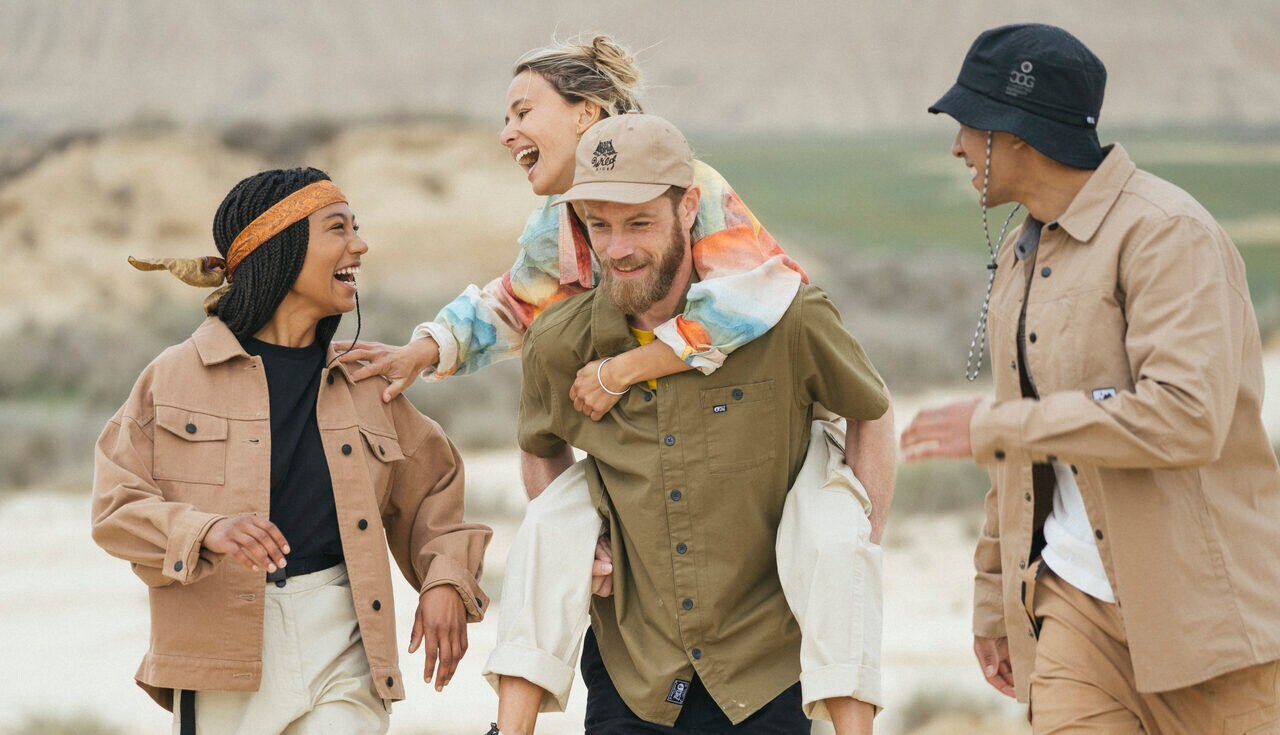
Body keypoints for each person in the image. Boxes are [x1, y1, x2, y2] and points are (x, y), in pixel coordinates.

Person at [332, 37, 890, 728]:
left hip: (760, 604)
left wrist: (624, 368)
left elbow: (754, 297)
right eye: (601, 226)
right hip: (636, 647)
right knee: (555, 518)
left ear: (585, 114)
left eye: (522, 110)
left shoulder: (699, 188)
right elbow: (512, 303)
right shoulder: (557, 221)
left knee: (833, 538)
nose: (506, 131)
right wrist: (428, 347)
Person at [899, 23, 1280, 732]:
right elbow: (1015, 457)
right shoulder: (1024, 253)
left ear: (1017, 133)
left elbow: (1184, 415)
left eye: (968, 123)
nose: (957, 145)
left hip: (1206, 625)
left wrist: (993, 426)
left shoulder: (1168, 234)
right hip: (1072, 615)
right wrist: (995, 599)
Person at [507, 113, 894, 735]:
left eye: (639, 223)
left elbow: (871, 411)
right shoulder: (558, 342)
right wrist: (589, 551)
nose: (617, 248)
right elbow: (540, 448)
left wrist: (855, 543)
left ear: (688, 208)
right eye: (598, 225)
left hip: (769, 666)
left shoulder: (788, 321)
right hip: (632, 673)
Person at [92, 167, 492, 734]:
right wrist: (205, 530)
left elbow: (433, 491)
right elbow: (115, 510)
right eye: (338, 229)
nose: (360, 244)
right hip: (220, 654)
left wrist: (447, 578)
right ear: (280, 249)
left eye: (358, 227)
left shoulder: (365, 380)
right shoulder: (173, 377)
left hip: (346, 640)